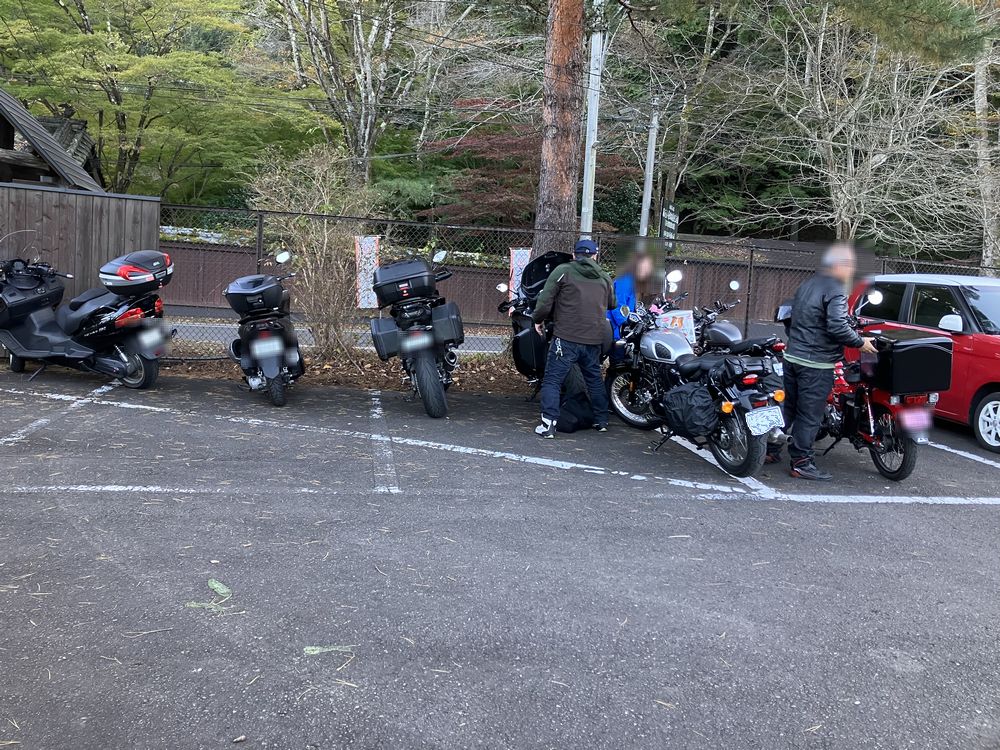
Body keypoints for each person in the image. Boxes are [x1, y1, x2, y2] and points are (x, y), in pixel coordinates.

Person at [767, 243, 877, 480]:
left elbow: (794, 317)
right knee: (810, 415)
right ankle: (802, 462)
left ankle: (770, 449)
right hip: (816, 363)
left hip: (793, 356)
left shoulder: (808, 284)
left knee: (789, 408)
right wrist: (860, 342)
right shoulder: (836, 289)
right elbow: (837, 326)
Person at [531, 238, 617, 438]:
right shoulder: (604, 277)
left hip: (566, 336)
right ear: (595, 255)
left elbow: (545, 300)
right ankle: (601, 420)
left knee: (552, 380)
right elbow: (612, 303)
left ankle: (548, 424)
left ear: (573, 254)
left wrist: (538, 319)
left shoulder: (563, 271)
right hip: (594, 338)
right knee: (594, 379)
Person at [608, 251, 656, 339]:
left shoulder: (632, 281)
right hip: (614, 330)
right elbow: (617, 306)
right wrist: (627, 324)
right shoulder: (625, 281)